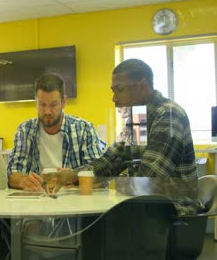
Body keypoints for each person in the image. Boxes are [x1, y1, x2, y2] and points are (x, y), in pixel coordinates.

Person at [58, 59, 203, 216]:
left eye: (119, 90)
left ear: (142, 86)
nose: (114, 98)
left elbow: (147, 181)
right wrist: (73, 175)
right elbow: (111, 161)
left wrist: (108, 182)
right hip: (146, 209)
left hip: (173, 213)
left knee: (95, 226)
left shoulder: (168, 116)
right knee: (91, 222)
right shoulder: (139, 119)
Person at [7, 73, 105, 191]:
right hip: (38, 202)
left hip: (74, 203)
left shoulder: (84, 129)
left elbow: (101, 176)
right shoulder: (25, 130)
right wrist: (22, 180)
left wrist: (75, 177)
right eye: (42, 104)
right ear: (36, 102)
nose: (47, 111)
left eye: (53, 105)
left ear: (64, 102)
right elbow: (13, 172)